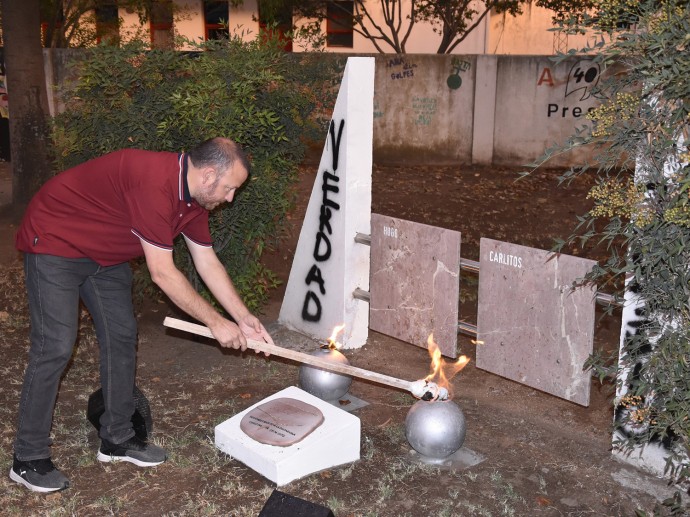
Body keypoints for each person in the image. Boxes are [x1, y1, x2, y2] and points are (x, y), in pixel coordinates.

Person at [10, 137, 274, 493]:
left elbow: (207, 261)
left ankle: (117, 438)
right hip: (56, 240)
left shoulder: (195, 199)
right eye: (230, 189)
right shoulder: (155, 183)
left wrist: (242, 317)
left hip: (105, 254)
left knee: (120, 337)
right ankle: (27, 459)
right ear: (209, 175)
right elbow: (163, 273)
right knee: (55, 345)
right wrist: (215, 323)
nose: (230, 198)